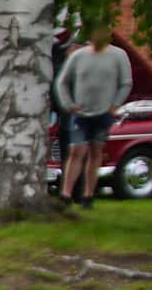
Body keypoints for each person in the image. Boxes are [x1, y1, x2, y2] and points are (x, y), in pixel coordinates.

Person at [55, 25, 133, 208]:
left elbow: (126, 83)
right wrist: (68, 104)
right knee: (77, 150)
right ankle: (66, 194)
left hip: (104, 113)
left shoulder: (118, 55)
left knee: (95, 151)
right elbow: (62, 82)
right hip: (80, 113)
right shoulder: (78, 56)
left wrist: (115, 105)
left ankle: (88, 195)